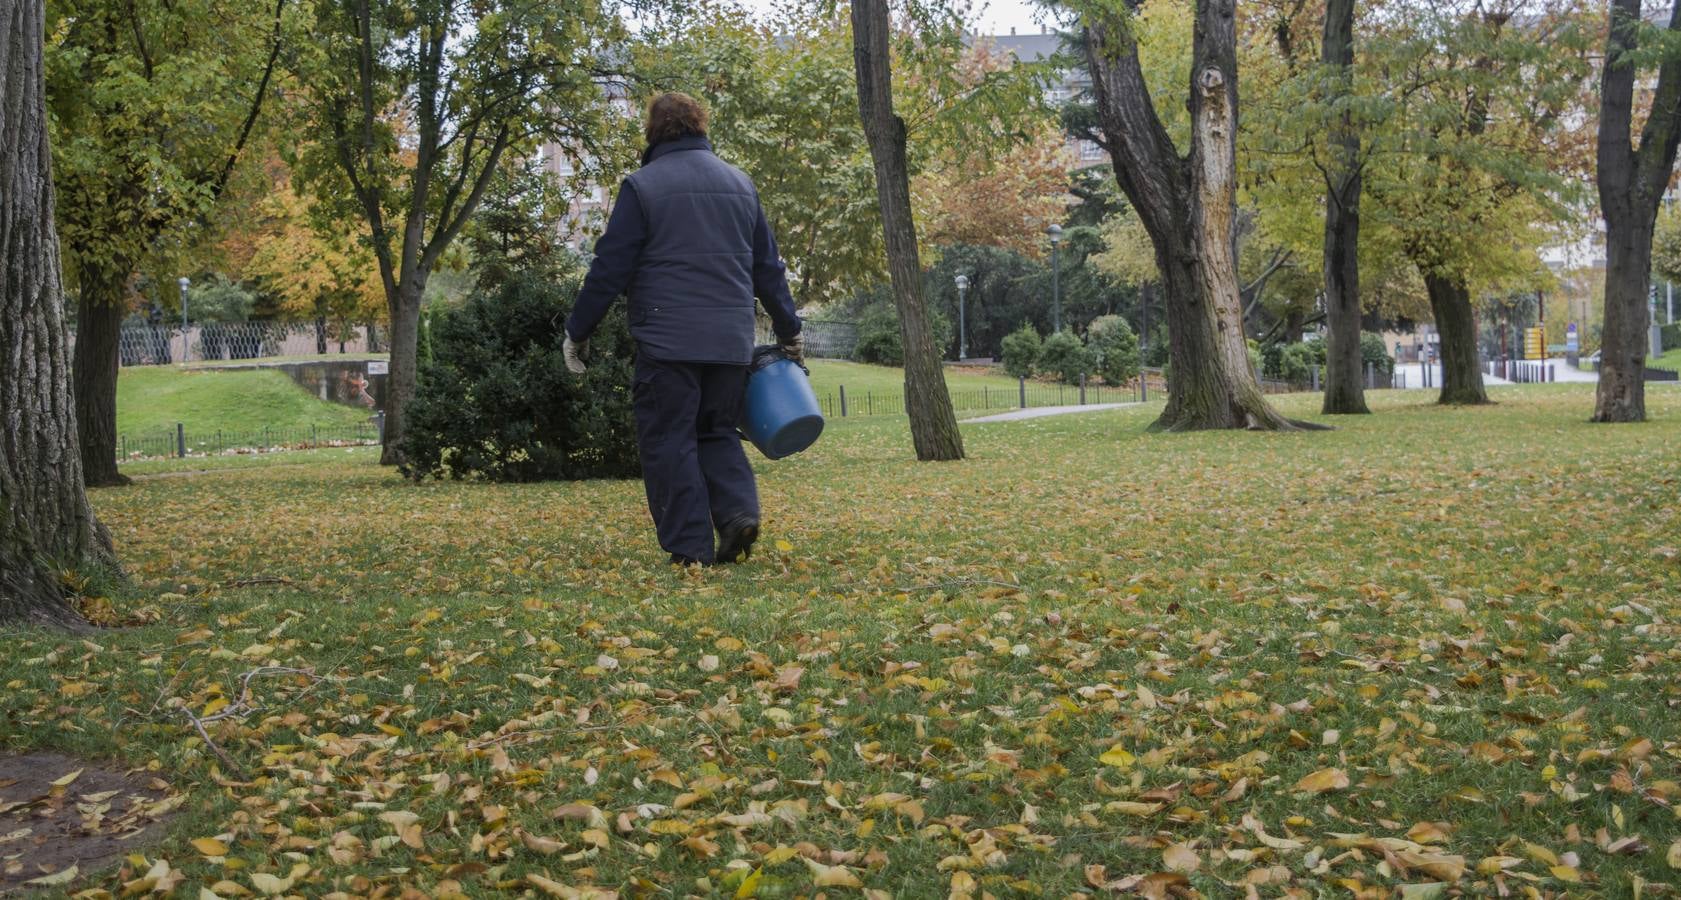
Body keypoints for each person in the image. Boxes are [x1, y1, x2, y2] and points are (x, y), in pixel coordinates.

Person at [563, 92, 803, 567]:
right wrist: (788, 328)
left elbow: (610, 267)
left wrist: (578, 330)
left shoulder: (642, 187)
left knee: (668, 439)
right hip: (730, 341)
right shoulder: (740, 184)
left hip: (667, 340)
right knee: (717, 431)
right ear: (700, 125)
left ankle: (690, 549)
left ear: (653, 131)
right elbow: (767, 267)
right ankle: (737, 513)